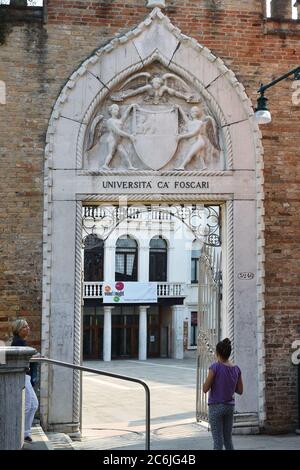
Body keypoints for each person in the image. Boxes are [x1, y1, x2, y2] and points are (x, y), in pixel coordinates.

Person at [203, 338, 243, 450]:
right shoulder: (236, 369)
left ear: (217, 353)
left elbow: (205, 388)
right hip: (229, 407)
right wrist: (229, 385)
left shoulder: (214, 367)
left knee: (218, 442)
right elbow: (240, 390)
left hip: (215, 407)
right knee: (228, 440)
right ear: (229, 353)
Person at [11, 319, 39, 444]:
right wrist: (35, 357)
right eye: (24, 327)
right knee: (29, 405)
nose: (27, 328)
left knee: (33, 404)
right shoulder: (18, 342)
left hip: (26, 376)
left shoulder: (21, 342)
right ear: (18, 330)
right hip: (23, 376)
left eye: (27, 326)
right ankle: (21, 433)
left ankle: (25, 432)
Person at [102, 103, 137, 170]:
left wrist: (130, 107)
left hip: (118, 140)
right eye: (115, 109)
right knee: (110, 153)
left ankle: (130, 166)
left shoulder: (118, 121)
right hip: (112, 139)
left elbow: (124, 116)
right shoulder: (110, 121)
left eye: (117, 110)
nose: (116, 111)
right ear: (111, 110)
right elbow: (118, 131)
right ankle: (105, 165)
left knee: (124, 153)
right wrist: (129, 136)